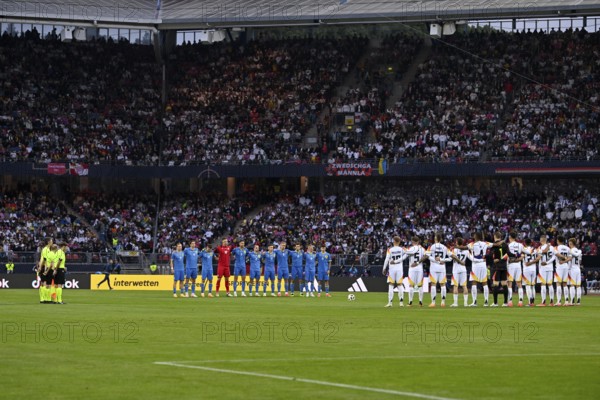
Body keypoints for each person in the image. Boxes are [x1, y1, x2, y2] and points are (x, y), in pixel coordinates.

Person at [426, 233, 451, 307]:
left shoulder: (432, 246)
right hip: (442, 267)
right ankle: (443, 302)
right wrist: (442, 259)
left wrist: (434, 260)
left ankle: (433, 302)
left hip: (434, 267)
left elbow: (427, 256)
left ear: (435, 239)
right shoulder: (445, 247)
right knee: (442, 285)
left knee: (433, 284)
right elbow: (451, 258)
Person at [382, 236, 406, 308]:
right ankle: (401, 302)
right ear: (399, 242)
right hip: (399, 268)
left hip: (392, 269)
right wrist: (400, 260)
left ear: (393, 241)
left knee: (391, 285)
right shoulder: (402, 249)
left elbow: (386, 259)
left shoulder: (390, 249)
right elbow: (407, 254)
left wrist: (384, 268)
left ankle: (390, 303)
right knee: (400, 285)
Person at [468, 232, 492, 307]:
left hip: (475, 265)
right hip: (483, 264)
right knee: (484, 283)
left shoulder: (472, 244)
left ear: (476, 236)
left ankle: (474, 302)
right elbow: (494, 245)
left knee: (474, 282)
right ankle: (486, 302)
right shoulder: (486, 243)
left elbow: (465, 248)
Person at [490, 231, 511, 307]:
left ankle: (495, 303)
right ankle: (505, 302)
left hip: (496, 267)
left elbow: (491, 255)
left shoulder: (494, 245)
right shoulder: (505, 244)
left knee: (495, 284)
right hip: (504, 267)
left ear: (495, 236)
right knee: (504, 284)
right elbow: (508, 254)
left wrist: (496, 260)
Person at [535, 234, 555, 307]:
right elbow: (554, 257)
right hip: (550, 267)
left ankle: (543, 302)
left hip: (543, 268)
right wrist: (548, 262)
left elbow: (540, 255)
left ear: (541, 240)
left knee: (543, 284)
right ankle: (551, 301)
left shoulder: (540, 248)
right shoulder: (552, 247)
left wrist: (545, 263)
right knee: (550, 284)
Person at [405, 236, 426, 307]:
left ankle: (410, 302)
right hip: (419, 268)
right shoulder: (422, 249)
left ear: (412, 241)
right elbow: (426, 256)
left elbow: (406, 255)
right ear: (418, 241)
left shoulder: (410, 248)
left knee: (411, 285)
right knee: (420, 285)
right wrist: (418, 262)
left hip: (412, 268)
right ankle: (420, 302)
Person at [450, 237, 470, 307]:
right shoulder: (466, 251)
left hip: (456, 269)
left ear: (457, 242)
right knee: (464, 286)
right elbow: (471, 258)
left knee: (455, 286)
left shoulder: (454, 250)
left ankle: (455, 303)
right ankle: (465, 303)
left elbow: (451, 257)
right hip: (463, 269)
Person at [507, 231, 525, 307]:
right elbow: (525, 253)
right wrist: (520, 258)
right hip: (518, 265)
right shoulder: (520, 245)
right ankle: (520, 301)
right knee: (519, 284)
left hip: (511, 265)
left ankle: (510, 301)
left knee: (510, 284)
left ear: (510, 237)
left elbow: (507, 256)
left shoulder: (508, 245)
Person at [554, 236, 571, 306]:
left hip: (559, 266)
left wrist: (563, 259)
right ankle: (566, 301)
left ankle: (559, 301)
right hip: (565, 266)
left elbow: (557, 254)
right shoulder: (568, 248)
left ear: (558, 241)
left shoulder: (556, 247)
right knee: (565, 284)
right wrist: (565, 261)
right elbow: (570, 258)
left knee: (558, 283)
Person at [522, 238, 538, 306]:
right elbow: (537, 258)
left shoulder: (524, 250)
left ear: (525, 243)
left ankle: (529, 302)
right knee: (533, 286)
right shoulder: (535, 250)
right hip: (533, 269)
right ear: (531, 243)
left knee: (528, 286)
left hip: (526, 269)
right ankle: (533, 302)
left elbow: (521, 257)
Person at [37, 238, 53, 303]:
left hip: (48, 267)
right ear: (48, 242)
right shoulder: (45, 249)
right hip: (45, 267)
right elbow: (44, 259)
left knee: (47, 283)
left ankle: (47, 299)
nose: (52, 242)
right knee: (44, 283)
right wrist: (41, 267)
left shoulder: (49, 249)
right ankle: (42, 299)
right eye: (51, 241)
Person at [568, 238, 583, 305]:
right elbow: (580, 261)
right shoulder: (578, 251)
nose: (568, 244)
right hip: (578, 269)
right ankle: (578, 301)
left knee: (572, 285)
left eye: (569, 243)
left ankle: (572, 301)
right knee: (578, 286)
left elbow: (569, 260)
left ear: (571, 243)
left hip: (572, 269)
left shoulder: (570, 250)